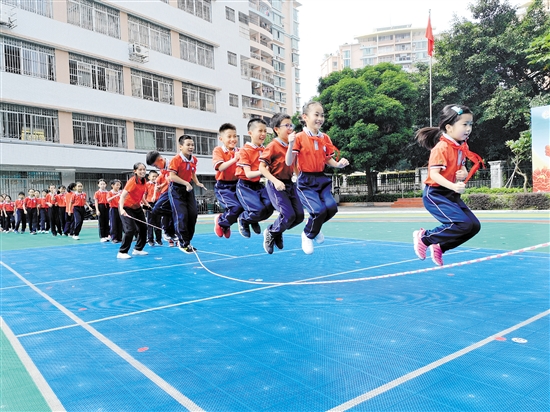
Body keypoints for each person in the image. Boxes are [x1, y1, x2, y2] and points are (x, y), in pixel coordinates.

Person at [413, 104, 483, 266]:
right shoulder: (441, 148)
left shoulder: (461, 146)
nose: (468, 128)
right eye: (464, 124)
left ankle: (441, 247)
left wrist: (463, 172)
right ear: (449, 127)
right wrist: (453, 186)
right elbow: (434, 175)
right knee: (462, 224)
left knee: (473, 226)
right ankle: (424, 237)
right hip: (435, 194)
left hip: (450, 194)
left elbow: (461, 165)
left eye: (470, 124)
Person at [286, 101, 349, 254]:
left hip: (321, 179)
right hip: (306, 181)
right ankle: (308, 234)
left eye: (322, 115)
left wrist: (339, 165)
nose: (320, 118)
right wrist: (290, 144)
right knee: (318, 210)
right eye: (316, 114)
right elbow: (289, 161)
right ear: (305, 117)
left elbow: (328, 159)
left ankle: (314, 227)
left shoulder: (325, 138)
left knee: (332, 208)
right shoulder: (299, 137)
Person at [259, 113, 304, 254]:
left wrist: (299, 177)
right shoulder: (273, 145)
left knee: (299, 216)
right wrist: (275, 181)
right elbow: (261, 168)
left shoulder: (293, 145)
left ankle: (278, 231)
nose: (290, 128)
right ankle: (272, 232)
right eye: (286, 125)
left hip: (289, 184)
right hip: (276, 184)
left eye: (292, 125)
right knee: (288, 215)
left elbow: (294, 164)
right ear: (276, 129)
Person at [235, 118, 274, 238]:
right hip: (245, 185)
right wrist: (263, 171)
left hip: (258, 184)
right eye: (260, 131)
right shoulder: (244, 151)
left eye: (265, 131)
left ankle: (252, 219)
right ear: (250, 133)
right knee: (258, 210)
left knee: (270, 206)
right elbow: (248, 174)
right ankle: (244, 219)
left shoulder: (265, 150)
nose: (263, 134)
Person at [168, 135, 206, 253]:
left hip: (188, 189)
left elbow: (192, 172)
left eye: (192, 145)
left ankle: (187, 241)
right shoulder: (176, 160)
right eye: (188, 145)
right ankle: (182, 242)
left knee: (193, 214)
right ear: (181, 147)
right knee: (181, 215)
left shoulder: (194, 159)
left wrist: (197, 182)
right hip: (176, 189)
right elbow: (172, 176)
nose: (191, 147)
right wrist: (186, 183)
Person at [212, 123, 243, 238]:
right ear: (221, 139)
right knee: (235, 207)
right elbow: (220, 167)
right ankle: (221, 221)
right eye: (229, 137)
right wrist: (235, 159)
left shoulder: (240, 150)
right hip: (223, 186)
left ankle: (225, 224)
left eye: (235, 136)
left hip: (238, 184)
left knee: (243, 208)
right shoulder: (218, 150)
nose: (233, 139)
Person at [117, 162, 151, 259]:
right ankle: (122, 252)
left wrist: (145, 203)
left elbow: (140, 195)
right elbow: (122, 196)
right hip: (126, 208)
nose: (142, 171)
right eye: (140, 169)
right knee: (130, 230)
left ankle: (138, 249)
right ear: (135, 171)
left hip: (137, 208)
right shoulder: (132, 182)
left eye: (144, 169)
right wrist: (122, 209)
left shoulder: (144, 181)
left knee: (143, 228)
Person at [146, 150, 177, 247]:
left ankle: (171, 233)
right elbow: (161, 184)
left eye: (155, 166)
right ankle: (166, 233)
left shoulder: (172, 164)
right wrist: (157, 191)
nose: (156, 168)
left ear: (160, 160)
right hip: (162, 195)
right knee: (159, 211)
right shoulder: (162, 171)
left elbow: (171, 178)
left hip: (173, 191)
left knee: (173, 213)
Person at [145, 170, 163, 247]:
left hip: (158, 204)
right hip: (149, 204)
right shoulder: (146, 185)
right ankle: (150, 239)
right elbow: (144, 195)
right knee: (150, 222)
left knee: (158, 222)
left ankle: (158, 239)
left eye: (156, 176)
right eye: (153, 176)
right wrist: (144, 206)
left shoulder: (159, 185)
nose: (155, 178)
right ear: (149, 177)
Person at [107, 179, 123, 243]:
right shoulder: (110, 192)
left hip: (120, 208)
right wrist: (116, 195)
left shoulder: (121, 192)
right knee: (113, 223)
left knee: (120, 223)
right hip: (113, 209)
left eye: (119, 185)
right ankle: (114, 237)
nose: (118, 186)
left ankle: (119, 237)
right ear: (112, 185)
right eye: (117, 185)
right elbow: (108, 200)